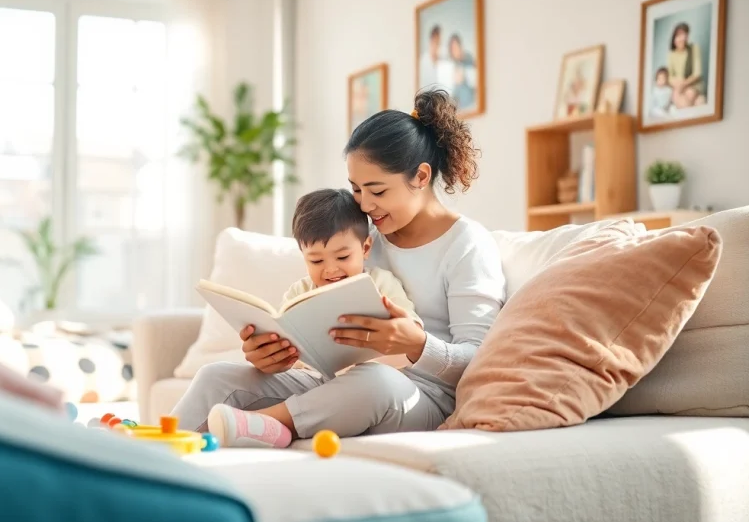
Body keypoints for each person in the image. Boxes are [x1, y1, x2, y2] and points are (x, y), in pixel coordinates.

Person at [171, 88, 506, 448]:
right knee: (216, 377)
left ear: (421, 177)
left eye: (377, 191)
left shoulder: (467, 245)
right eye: (356, 189)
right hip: (334, 383)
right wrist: (272, 355)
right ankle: (154, 449)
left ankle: (262, 424)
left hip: (420, 396)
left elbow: (480, 360)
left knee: (376, 382)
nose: (364, 204)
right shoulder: (361, 240)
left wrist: (417, 345)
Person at [276, 187, 423, 377]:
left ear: (365, 248)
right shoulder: (299, 291)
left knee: (371, 379)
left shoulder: (380, 283)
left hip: (369, 377)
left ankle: (280, 409)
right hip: (312, 377)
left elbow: (412, 332)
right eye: (316, 261)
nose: (330, 269)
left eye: (343, 257)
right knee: (228, 372)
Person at [666, 22, 706, 109]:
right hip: (678, 86)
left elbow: (697, 74)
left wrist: (683, 84)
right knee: (676, 95)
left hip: (693, 84)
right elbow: (670, 77)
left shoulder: (694, 49)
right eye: (679, 36)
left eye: (684, 35)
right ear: (674, 38)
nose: (682, 39)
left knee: (693, 95)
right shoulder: (672, 55)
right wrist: (678, 84)